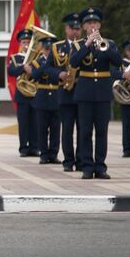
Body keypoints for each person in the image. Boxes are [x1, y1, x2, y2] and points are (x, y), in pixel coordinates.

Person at [69, 7, 122, 179]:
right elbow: (75, 63)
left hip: (103, 93)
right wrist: (87, 44)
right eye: (89, 23)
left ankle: (100, 167)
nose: (93, 25)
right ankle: (87, 166)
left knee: (101, 131)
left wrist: (104, 46)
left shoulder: (110, 44)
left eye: (95, 22)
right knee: (85, 131)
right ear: (84, 26)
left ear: (99, 25)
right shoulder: (78, 45)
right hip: (85, 92)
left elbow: (117, 61)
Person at [50, 12, 82, 172]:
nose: (75, 31)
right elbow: (47, 68)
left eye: (77, 28)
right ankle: (68, 161)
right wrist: (58, 74)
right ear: (66, 29)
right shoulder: (57, 47)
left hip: (83, 92)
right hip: (66, 93)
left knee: (84, 130)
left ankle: (82, 160)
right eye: (72, 28)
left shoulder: (86, 45)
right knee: (67, 130)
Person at [7, 29, 39, 157]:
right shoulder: (15, 58)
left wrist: (32, 70)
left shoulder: (36, 57)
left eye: (28, 42)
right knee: (23, 123)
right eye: (24, 42)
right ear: (20, 43)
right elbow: (11, 71)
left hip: (34, 93)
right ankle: (24, 148)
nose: (26, 44)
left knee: (35, 122)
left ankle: (34, 147)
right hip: (21, 94)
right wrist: (23, 68)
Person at [29, 37, 61, 164]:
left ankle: (53, 154)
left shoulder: (59, 62)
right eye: (46, 49)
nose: (48, 52)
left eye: (50, 49)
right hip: (42, 96)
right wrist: (46, 64)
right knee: (42, 128)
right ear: (42, 49)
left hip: (55, 96)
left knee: (55, 128)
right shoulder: (37, 62)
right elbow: (35, 76)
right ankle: (43, 154)